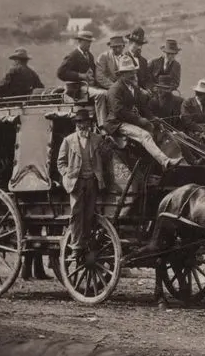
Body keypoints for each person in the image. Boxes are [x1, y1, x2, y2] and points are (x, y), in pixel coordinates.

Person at [103, 55, 180, 170]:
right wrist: (139, 120)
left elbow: (143, 107)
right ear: (122, 74)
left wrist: (153, 118)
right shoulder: (115, 89)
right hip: (117, 123)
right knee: (145, 135)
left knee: (155, 129)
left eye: (133, 71)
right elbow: (119, 111)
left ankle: (151, 166)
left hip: (129, 120)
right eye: (129, 72)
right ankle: (165, 162)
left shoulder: (134, 87)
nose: (133, 74)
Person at [57, 108, 106, 252]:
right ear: (76, 124)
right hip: (76, 182)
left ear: (89, 124)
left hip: (92, 180)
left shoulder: (97, 139)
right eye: (79, 123)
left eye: (84, 122)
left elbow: (105, 156)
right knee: (76, 212)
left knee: (90, 213)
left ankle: (86, 241)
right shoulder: (68, 140)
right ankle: (76, 244)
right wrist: (68, 173)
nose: (82, 126)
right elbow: (60, 162)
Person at [56, 31, 99, 99]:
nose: (89, 44)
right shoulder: (73, 55)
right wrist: (80, 75)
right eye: (87, 42)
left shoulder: (90, 56)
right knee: (101, 95)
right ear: (79, 41)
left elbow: (94, 71)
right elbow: (60, 73)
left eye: (90, 42)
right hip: (76, 89)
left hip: (89, 87)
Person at [126, 27, 153, 92]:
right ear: (129, 43)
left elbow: (147, 79)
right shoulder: (123, 59)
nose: (139, 47)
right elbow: (126, 82)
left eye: (141, 44)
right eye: (137, 44)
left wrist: (148, 88)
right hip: (129, 93)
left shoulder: (143, 61)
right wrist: (140, 90)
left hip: (144, 93)